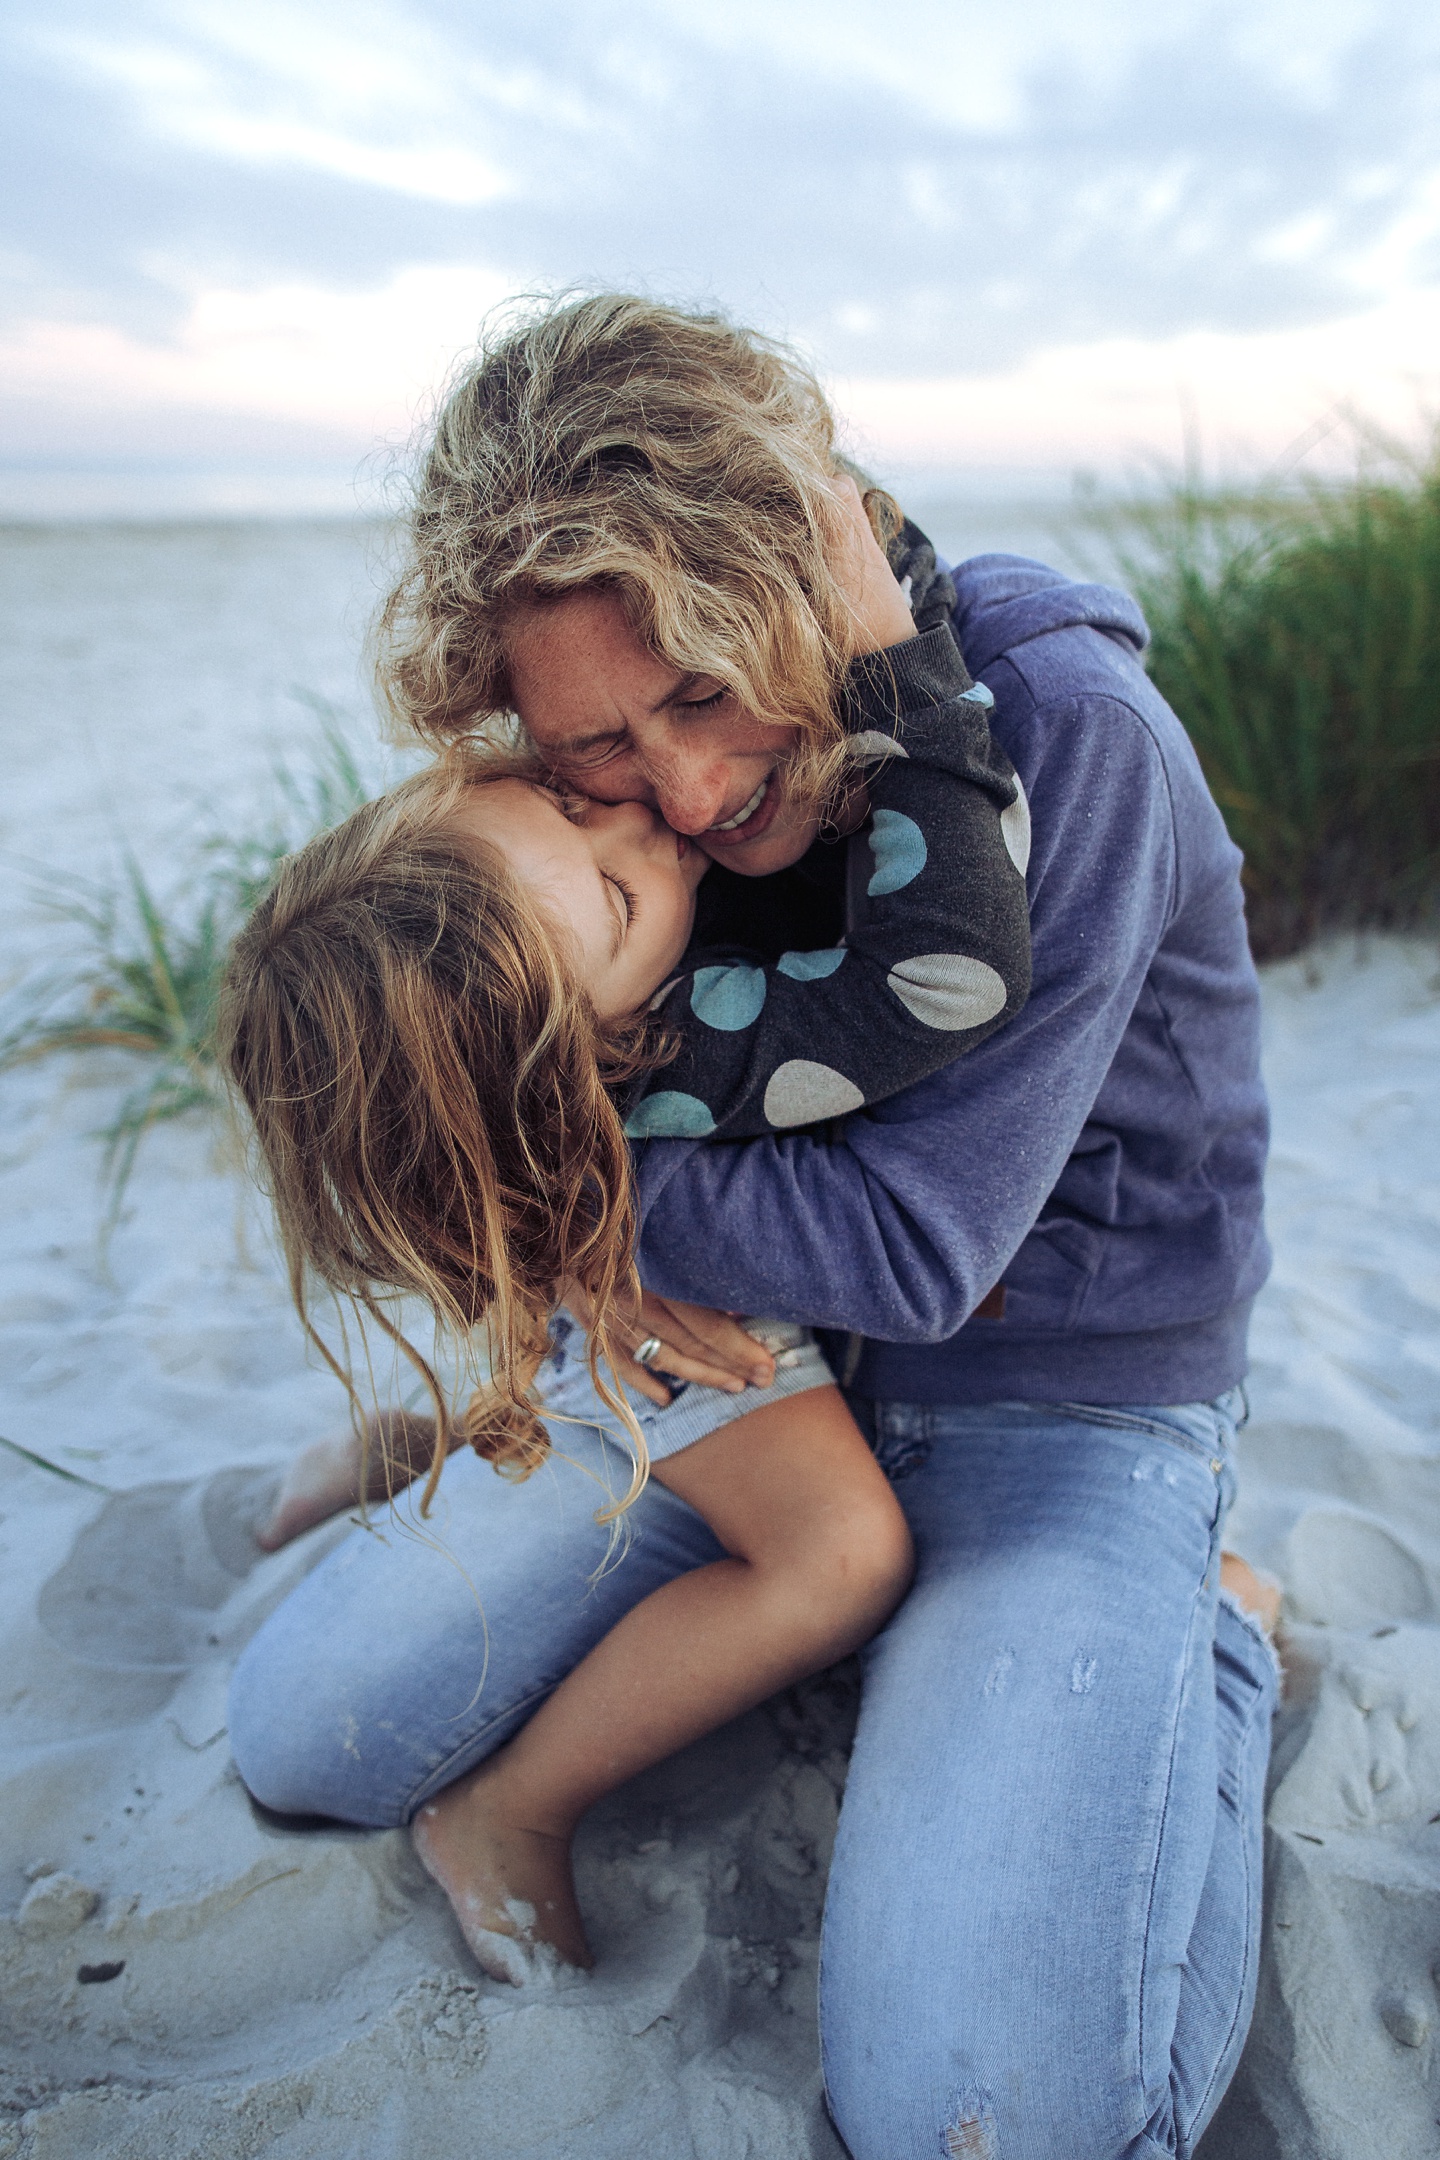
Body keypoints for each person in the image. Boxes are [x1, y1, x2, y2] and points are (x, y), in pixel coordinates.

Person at [230, 295, 1280, 2160]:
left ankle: (1203, 1614)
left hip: (1053, 1388)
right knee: (311, 1742)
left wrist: (554, 1213)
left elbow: (908, 1248)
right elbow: (501, 1032)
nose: (693, 800)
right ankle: (463, 1449)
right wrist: (538, 1228)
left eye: (707, 691)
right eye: (601, 753)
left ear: (806, 573)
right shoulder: (590, 823)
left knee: (986, 2116)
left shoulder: (1063, 739)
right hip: (748, 1369)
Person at [220, 518, 1034, 1979]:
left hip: (635, 1313)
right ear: (572, 1048)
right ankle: (511, 1809)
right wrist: (902, 660)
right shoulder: (680, 1046)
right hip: (707, 1338)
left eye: (562, 801)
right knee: (838, 1558)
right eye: (606, 887)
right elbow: (945, 969)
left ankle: (446, 1433)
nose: (644, 819)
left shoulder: (581, 986)